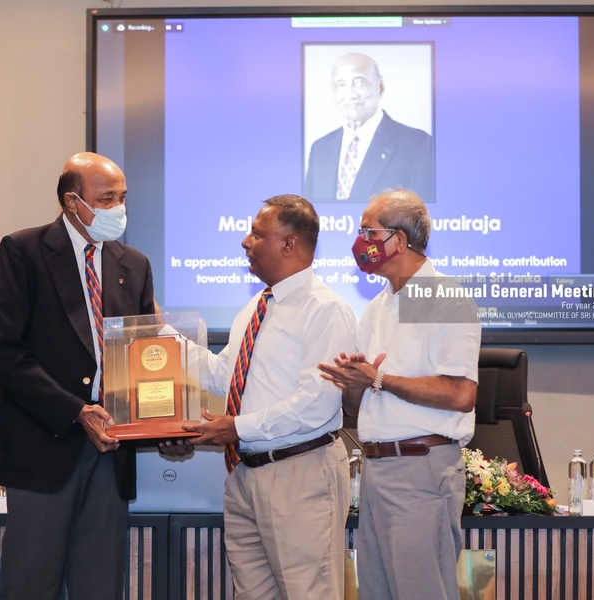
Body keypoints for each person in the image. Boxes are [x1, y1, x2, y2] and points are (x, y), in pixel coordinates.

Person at [0, 151, 155, 600]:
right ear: (72, 202)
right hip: (43, 447)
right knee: (30, 585)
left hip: (111, 452)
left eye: (123, 197)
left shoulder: (134, 264)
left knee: (99, 586)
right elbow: (4, 356)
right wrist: (77, 410)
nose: (119, 208)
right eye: (107, 199)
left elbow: (144, 358)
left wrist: (165, 420)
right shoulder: (24, 251)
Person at [173, 194, 357, 599]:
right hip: (245, 474)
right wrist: (159, 341)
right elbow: (224, 376)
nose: (245, 242)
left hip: (300, 472)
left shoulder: (326, 309)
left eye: (257, 234)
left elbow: (316, 404)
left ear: (289, 244)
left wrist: (237, 427)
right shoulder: (257, 306)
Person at [318, 189, 481, 600]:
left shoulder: (445, 298)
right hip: (376, 469)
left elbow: (461, 393)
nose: (359, 241)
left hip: (421, 467)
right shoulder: (377, 307)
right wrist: (353, 382)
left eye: (367, 232)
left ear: (400, 240)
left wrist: (379, 378)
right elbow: (361, 403)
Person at [304, 52, 433, 202]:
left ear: (380, 85)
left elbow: (424, 213)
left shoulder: (418, 145)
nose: (351, 94)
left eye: (359, 82)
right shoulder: (320, 149)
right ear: (333, 90)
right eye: (341, 84)